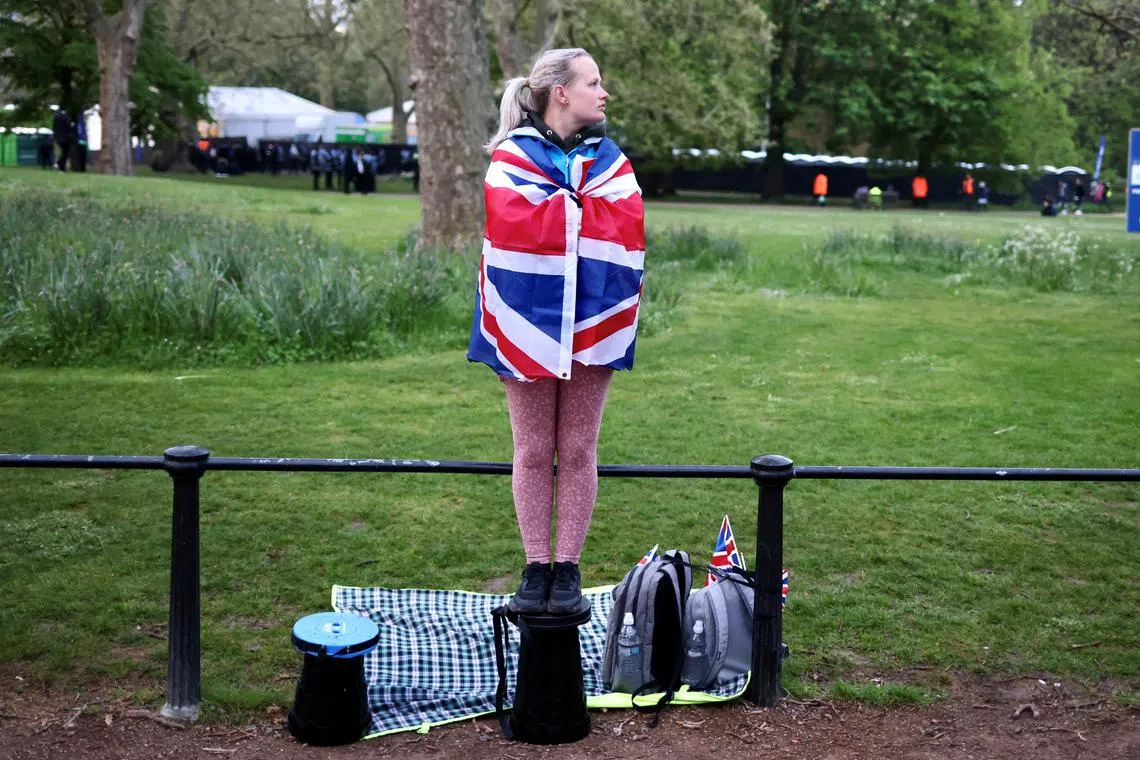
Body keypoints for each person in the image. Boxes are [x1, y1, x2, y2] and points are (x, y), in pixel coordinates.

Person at [468, 48, 644, 616]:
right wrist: (577, 211)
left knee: (578, 447)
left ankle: (566, 566)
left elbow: (626, 222)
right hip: (528, 319)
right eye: (594, 82)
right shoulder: (512, 157)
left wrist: (568, 211)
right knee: (533, 447)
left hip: (592, 317)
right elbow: (510, 226)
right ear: (560, 93)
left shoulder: (611, 160)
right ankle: (534, 565)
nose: (604, 92)